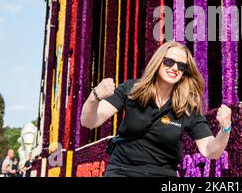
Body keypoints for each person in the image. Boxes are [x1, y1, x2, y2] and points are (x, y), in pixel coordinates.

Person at [81, 41, 232, 177]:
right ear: (158, 62)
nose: (175, 68)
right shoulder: (132, 89)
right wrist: (95, 96)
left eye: (181, 66)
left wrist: (225, 129)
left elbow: (210, 151)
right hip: (122, 170)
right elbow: (89, 121)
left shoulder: (187, 106)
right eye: (169, 62)